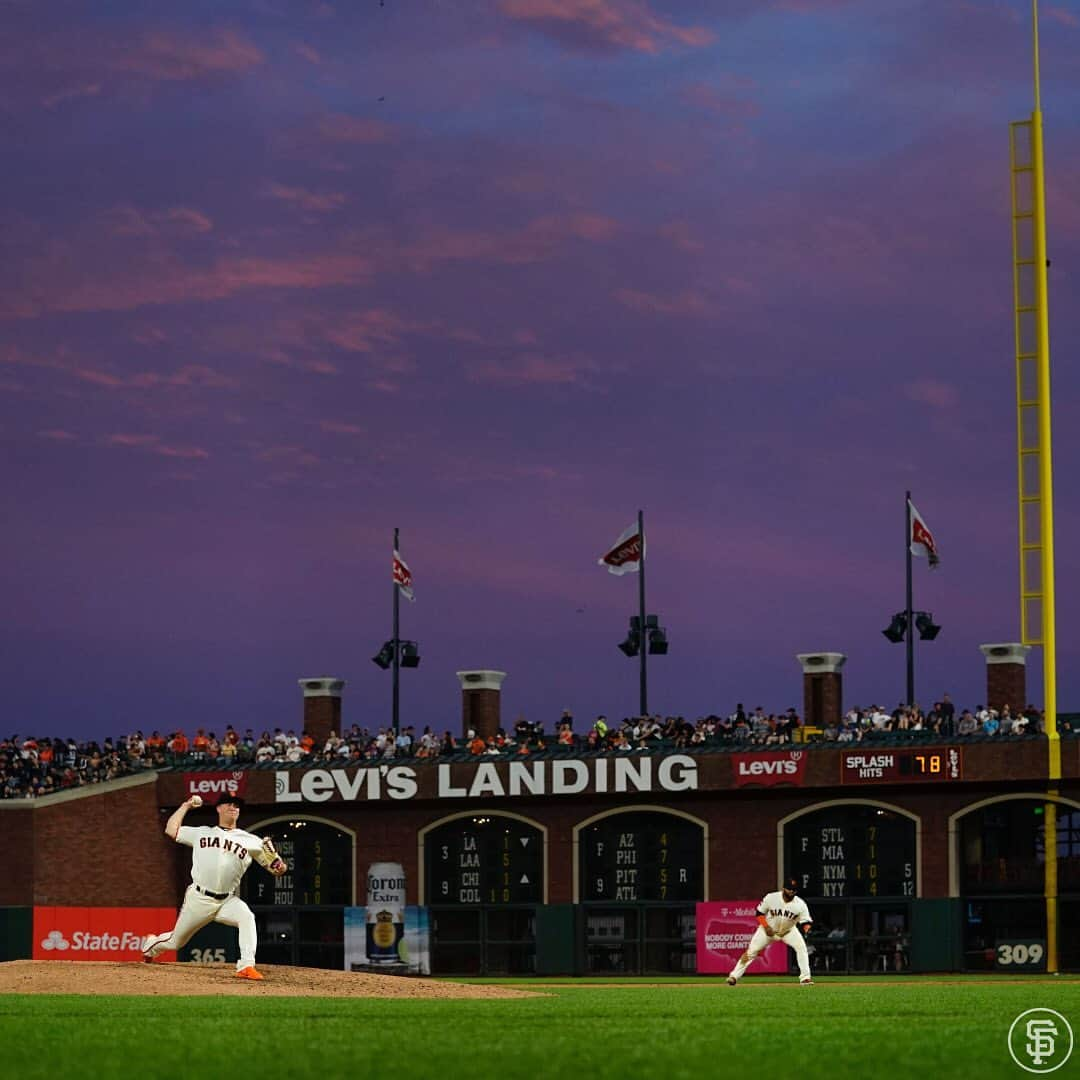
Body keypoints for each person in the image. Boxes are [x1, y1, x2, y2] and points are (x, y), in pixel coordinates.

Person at [140, 793, 287, 980]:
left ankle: (246, 966)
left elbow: (277, 870)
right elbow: (171, 830)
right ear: (218, 808)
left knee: (247, 917)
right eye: (229, 804)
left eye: (237, 805)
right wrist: (185, 806)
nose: (233, 807)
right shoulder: (202, 832)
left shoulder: (252, 841)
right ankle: (150, 946)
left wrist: (279, 864)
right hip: (200, 898)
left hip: (227, 900)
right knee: (175, 942)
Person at [726, 877, 814, 986]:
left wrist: (806, 929)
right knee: (751, 952)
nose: (791, 891)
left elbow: (806, 922)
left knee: (801, 948)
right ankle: (734, 976)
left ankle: (805, 978)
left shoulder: (800, 904)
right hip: (767, 930)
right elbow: (759, 913)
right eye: (789, 888)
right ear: (783, 888)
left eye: (794, 889)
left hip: (788, 931)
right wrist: (766, 927)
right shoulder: (771, 898)